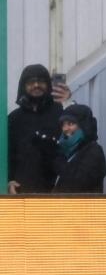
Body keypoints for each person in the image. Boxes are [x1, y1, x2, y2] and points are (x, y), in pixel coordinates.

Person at [8, 64, 72, 194]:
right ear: (23, 86)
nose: (36, 85)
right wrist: (8, 180)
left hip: (56, 191)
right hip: (21, 190)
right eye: (31, 82)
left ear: (48, 85)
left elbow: (78, 140)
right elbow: (7, 153)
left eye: (41, 81)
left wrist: (68, 103)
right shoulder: (14, 118)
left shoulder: (61, 113)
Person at [51, 103, 106, 193]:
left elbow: (79, 183)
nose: (65, 129)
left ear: (84, 125)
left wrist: (59, 163)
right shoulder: (67, 151)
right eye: (63, 125)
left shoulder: (94, 151)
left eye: (70, 124)